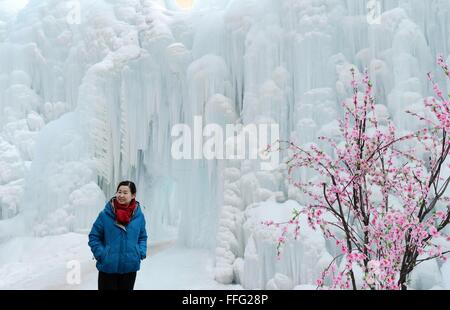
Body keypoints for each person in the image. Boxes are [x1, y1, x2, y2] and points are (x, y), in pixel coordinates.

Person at [88, 180, 147, 290]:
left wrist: (140, 252)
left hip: (129, 267)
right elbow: (94, 237)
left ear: (133, 195)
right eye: (119, 192)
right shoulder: (105, 215)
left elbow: (142, 237)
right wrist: (102, 254)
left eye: (125, 192)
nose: (121, 195)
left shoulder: (139, 217)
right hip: (108, 267)